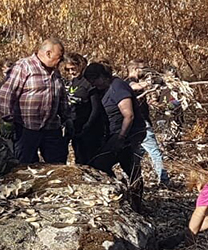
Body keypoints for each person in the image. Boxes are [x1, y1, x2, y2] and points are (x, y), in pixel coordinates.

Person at [83, 62, 147, 212]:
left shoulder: (118, 87)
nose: (93, 84)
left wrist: (121, 137)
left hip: (128, 134)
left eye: (94, 80)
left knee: (128, 167)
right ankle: (122, 192)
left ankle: (135, 203)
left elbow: (128, 115)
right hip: (113, 133)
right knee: (103, 165)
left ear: (103, 77)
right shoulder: (103, 90)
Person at [0, 38, 68, 164]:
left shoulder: (55, 72)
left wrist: (67, 118)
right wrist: (7, 120)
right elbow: (6, 94)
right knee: (24, 166)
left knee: (58, 166)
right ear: (48, 53)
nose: (61, 61)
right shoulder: (23, 67)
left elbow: (61, 97)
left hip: (51, 128)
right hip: (26, 128)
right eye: (59, 57)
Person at [126, 60, 170, 186]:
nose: (144, 71)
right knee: (154, 152)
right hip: (141, 125)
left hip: (138, 123)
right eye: (142, 69)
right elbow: (134, 86)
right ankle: (164, 180)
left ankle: (135, 180)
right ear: (134, 69)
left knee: (137, 153)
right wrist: (150, 82)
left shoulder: (132, 84)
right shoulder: (128, 83)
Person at [62, 53, 105, 166]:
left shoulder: (88, 82)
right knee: (79, 159)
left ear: (80, 65)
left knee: (91, 161)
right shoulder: (73, 82)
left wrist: (88, 125)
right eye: (68, 69)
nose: (71, 72)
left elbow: (96, 108)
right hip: (75, 126)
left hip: (89, 129)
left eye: (73, 68)